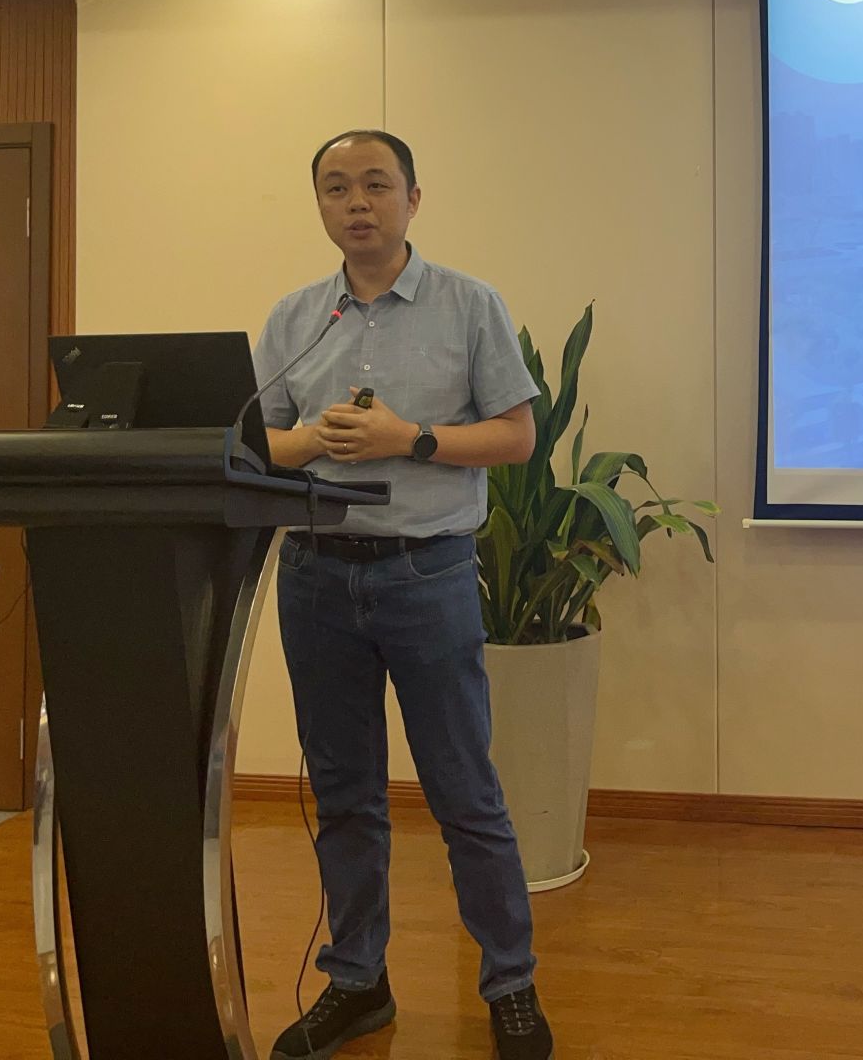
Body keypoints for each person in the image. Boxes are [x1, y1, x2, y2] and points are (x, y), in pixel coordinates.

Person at [257, 128, 552, 1060]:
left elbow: (516, 438)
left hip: (427, 574)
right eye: (337, 188)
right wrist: (315, 439)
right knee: (345, 794)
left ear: (413, 199)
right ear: (320, 205)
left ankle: (510, 983)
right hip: (316, 577)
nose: (358, 203)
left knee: (465, 793)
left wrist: (407, 439)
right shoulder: (294, 319)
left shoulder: (470, 305)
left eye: (376, 185)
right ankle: (357, 983)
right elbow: (256, 446)